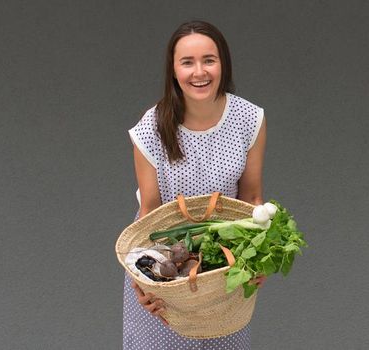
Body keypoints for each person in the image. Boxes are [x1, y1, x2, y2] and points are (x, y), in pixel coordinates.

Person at [123, 20, 266, 349]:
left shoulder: (249, 119)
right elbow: (149, 214)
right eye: (187, 62)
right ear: (173, 70)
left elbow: (252, 198)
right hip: (166, 262)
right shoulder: (151, 128)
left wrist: (260, 259)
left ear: (223, 64)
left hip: (223, 262)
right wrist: (143, 284)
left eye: (209, 60)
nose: (199, 72)